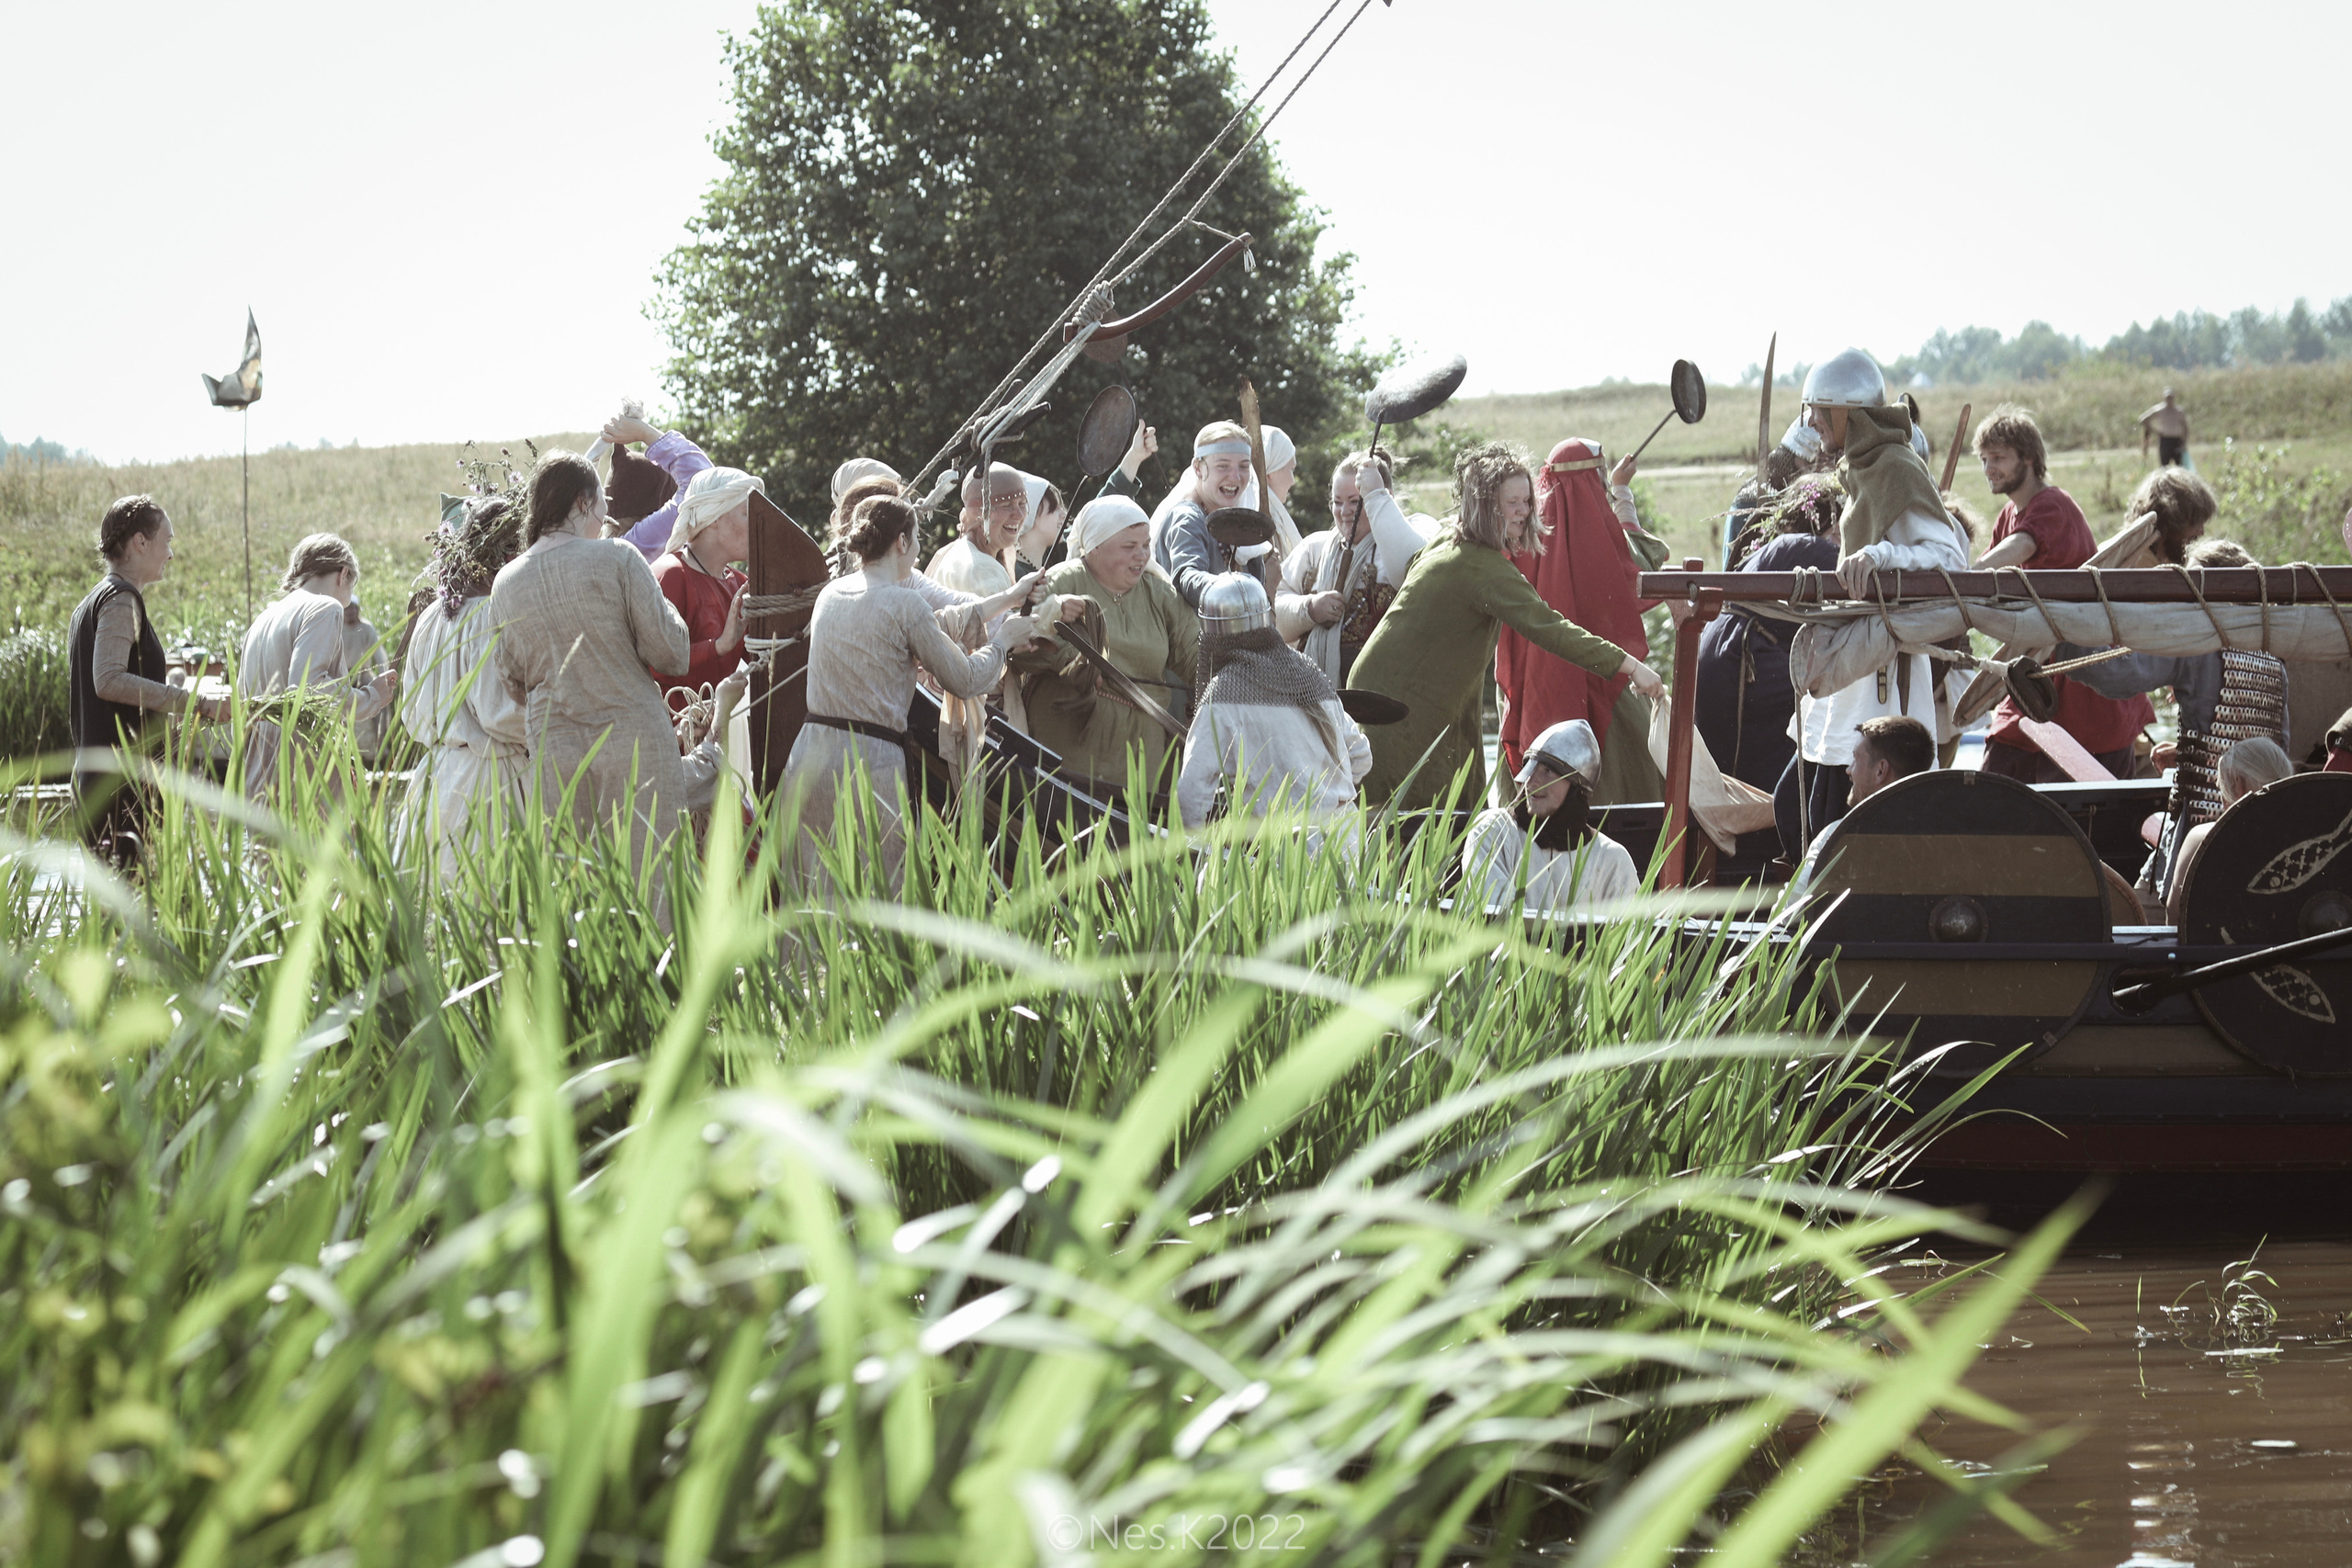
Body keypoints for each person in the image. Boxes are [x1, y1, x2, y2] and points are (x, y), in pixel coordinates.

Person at [1350, 442, 1664, 810]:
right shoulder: (1483, 567)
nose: (1523, 511)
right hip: (1400, 701)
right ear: (1484, 505)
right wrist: (1630, 665)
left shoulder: (1450, 541)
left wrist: (1377, 496)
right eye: (1510, 502)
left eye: (1527, 500)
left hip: (1429, 695)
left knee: (1464, 805)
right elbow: (1552, 629)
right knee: (1416, 822)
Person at [488, 451, 729, 884]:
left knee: (579, 889)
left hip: (556, 751)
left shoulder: (506, 582)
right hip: (634, 746)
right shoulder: (618, 558)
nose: (605, 514)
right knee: (653, 882)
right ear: (582, 502)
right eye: (602, 502)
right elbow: (671, 652)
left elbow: (512, 679)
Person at [783, 494, 1039, 893]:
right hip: (870, 765)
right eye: (917, 540)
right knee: (878, 895)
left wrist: (1010, 596)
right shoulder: (905, 603)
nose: (920, 553)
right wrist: (1004, 640)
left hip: (810, 757)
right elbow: (966, 679)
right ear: (901, 542)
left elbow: (919, 627)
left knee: (812, 894)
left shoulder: (830, 595)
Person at [1771, 348, 1969, 859]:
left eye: (1820, 410)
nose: (1812, 421)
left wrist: (1881, 556)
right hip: (1855, 667)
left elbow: (1950, 556)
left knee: (1843, 820)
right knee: (1797, 808)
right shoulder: (1862, 465)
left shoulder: (1895, 464)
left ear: (1847, 412)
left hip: (1881, 676)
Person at [2051, 539, 2290, 912]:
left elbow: (2121, 675)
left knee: (2148, 918)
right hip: (2264, 824)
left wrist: (2059, 641)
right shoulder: (2271, 652)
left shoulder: (2198, 642)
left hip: (2202, 824)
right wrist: (2188, 753)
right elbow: (2269, 743)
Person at [1972, 406, 2153, 783]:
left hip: (2078, 676)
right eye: (1984, 459)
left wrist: (1961, 580)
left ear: (2030, 458)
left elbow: (2017, 550)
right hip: (2034, 670)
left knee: (2083, 808)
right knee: (1996, 778)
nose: (1989, 467)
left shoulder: (2052, 504)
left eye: (1999, 458)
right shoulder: (2010, 513)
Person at [1497, 438, 1669, 806]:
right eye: (1600, 478)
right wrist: (1622, 492)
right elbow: (1640, 565)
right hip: (1610, 681)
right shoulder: (1599, 540)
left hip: (1532, 692)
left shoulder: (1520, 537)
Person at [66, 495, 226, 862]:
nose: (170, 553)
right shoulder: (122, 600)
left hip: (96, 784)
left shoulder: (89, 604)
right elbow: (107, 680)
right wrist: (196, 704)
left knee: (116, 912)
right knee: (139, 906)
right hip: (123, 791)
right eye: (166, 541)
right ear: (141, 542)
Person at [1014, 495, 1201, 795]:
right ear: (1095, 547)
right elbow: (1019, 648)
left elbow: (1196, 657)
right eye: (1129, 547)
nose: (1141, 556)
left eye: (1145, 545)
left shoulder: (1160, 593)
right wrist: (1072, 661)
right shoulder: (1062, 582)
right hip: (1071, 743)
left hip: (1141, 754)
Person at [1176, 573, 1370, 833]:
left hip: (1289, 851)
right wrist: (1329, 795)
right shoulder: (1308, 674)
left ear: (1211, 634)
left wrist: (1194, 849)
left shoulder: (1223, 696)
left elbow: (1192, 792)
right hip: (1349, 839)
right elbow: (1361, 756)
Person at [398, 495, 529, 874]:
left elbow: (412, 712)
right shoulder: (490, 616)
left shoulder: (430, 618)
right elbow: (500, 716)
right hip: (490, 781)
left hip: (434, 775)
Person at [1695, 475, 1844, 791]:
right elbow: (1850, 577)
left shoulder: (1782, 546)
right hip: (1744, 658)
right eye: (1841, 532)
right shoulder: (1812, 548)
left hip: (1725, 651)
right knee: (1830, 706)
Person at [236, 534, 401, 799]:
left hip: (258, 781)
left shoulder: (264, 619)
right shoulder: (326, 606)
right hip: (304, 782)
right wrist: (372, 697)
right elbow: (309, 687)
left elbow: (244, 703)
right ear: (343, 574)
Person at [1275, 447, 1436, 684]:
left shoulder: (1416, 532)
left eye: (1355, 501)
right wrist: (1310, 608)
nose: (1345, 511)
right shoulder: (1315, 549)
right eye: (1337, 502)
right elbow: (1272, 607)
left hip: (1389, 687)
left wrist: (1377, 499)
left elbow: (1411, 570)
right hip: (1317, 690)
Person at [1462, 719, 1640, 914]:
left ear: (1575, 786)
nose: (1532, 782)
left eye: (1548, 771)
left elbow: (1633, 934)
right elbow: (1497, 921)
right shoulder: (1492, 832)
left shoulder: (1613, 859)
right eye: (1532, 768)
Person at [649, 464, 760, 706]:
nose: (757, 522)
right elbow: (654, 666)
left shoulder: (741, 585)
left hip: (717, 734)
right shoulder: (670, 576)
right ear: (713, 518)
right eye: (746, 512)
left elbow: (765, 661)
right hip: (674, 734)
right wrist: (719, 647)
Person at [2166, 737, 2293, 922]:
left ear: (2238, 784)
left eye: (2221, 789)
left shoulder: (2200, 839)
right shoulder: (2306, 833)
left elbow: (2175, 916)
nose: (2221, 801)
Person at [1151, 421, 1262, 607]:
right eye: (1223, 466)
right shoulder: (1187, 518)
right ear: (1198, 468)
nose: (1235, 477)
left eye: (1244, 466)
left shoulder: (1239, 522)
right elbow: (1187, 577)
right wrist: (1238, 589)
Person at [602, 411, 717, 561]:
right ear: (654, 515)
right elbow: (704, 485)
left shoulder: (601, 555)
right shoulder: (637, 546)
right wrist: (645, 433)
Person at [928, 463, 1029, 596]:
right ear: (980, 513)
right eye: (1006, 505)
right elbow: (1002, 618)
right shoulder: (981, 569)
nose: (1019, 515)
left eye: (1022, 503)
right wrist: (1056, 606)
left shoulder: (952, 550)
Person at [2097, 466, 2217, 569]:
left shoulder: (2161, 559)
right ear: (2171, 522)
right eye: (2195, 523)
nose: (2201, 532)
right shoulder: (2132, 565)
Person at [2140, 389, 2191, 467]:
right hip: (2165, 440)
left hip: (2177, 440)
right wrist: (2155, 431)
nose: (2169, 399)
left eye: (2171, 397)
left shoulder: (2179, 411)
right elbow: (2143, 419)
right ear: (2164, 398)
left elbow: (2186, 427)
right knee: (2164, 466)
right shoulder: (2159, 409)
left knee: (2180, 466)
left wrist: (2184, 442)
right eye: (2168, 397)